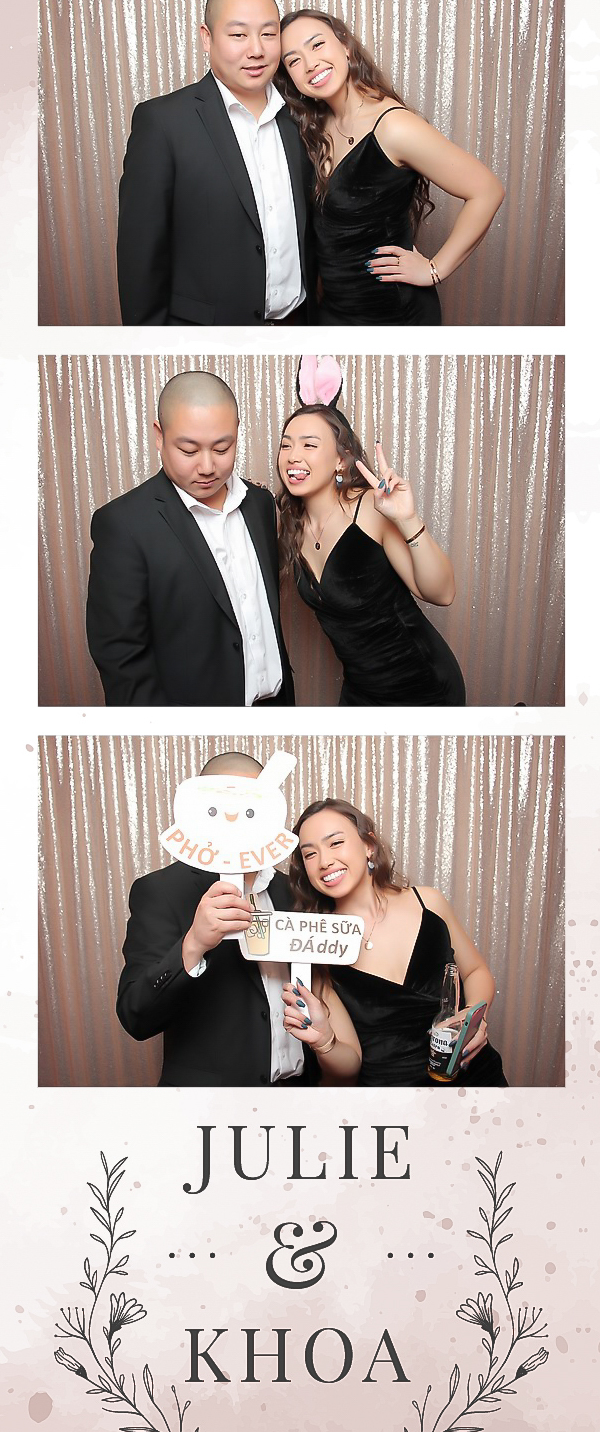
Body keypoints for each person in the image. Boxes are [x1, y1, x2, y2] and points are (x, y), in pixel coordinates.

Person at [116, 753, 361, 1087]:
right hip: (210, 1102)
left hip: (297, 1095)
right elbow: (136, 1018)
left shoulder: (294, 892)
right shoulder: (163, 891)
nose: (236, 816)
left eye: (251, 806)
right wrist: (194, 944)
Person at [277, 10, 505, 326]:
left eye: (317, 45)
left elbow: (487, 190)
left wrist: (434, 269)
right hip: (333, 310)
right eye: (294, 61)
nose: (310, 63)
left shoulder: (394, 127)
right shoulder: (315, 126)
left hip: (391, 314)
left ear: (345, 46)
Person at [86, 369, 294, 706]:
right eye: (188, 450)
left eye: (222, 448)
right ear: (159, 435)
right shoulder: (123, 525)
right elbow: (122, 661)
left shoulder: (260, 504)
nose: (208, 466)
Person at [116, 0, 314, 326]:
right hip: (205, 334)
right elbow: (141, 255)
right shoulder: (163, 122)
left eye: (269, 34)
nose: (256, 49)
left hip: (299, 326)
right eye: (238, 35)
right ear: (207, 37)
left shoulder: (302, 116)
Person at [277, 355, 466, 706]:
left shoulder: (370, 508)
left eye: (309, 444)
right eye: (286, 444)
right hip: (361, 689)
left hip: (423, 685)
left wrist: (407, 519)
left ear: (340, 459)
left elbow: (442, 593)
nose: (292, 455)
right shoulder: (290, 523)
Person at [288, 797, 507, 1088]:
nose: (324, 861)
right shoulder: (318, 944)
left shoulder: (427, 902)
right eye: (310, 854)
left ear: (369, 845)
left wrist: (473, 1018)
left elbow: (476, 971)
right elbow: (348, 1067)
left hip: (476, 1079)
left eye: (336, 843)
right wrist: (324, 1040)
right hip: (393, 1097)